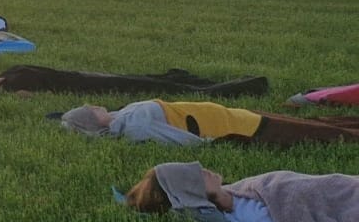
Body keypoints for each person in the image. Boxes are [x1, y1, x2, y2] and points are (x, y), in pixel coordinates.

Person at [123, 161, 358, 222]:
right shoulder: (247, 219)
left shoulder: (240, 189)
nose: (203, 169)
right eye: (195, 175)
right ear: (191, 192)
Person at [61, 99, 359, 146]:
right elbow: (177, 139)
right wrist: (209, 144)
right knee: (326, 134)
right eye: (89, 110)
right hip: (241, 128)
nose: (93, 105)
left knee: (318, 122)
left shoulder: (122, 114)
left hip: (236, 114)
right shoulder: (135, 127)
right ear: (93, 121)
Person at [0, 64, 268, 96]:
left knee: (154, 79)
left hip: (89, 77)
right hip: (94, 86)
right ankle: (249, 85)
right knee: (162, 88)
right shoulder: (13, 87)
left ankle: (200, 80)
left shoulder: (11, 72)